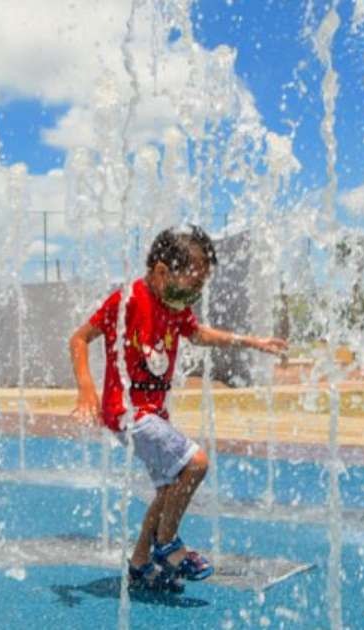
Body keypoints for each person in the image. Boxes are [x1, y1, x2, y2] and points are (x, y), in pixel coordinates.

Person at [67, 224, 288, 591]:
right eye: (192, 282)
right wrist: (87, 389)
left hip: (151, 412)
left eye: (201, 284)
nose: (196, 292)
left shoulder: (175, 305)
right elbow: (79, 338)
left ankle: (139, 563)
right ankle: (167, 544)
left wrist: (250, 341)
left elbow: (198, 333)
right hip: (127, 412)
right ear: (160, 272)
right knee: (196, 462)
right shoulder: (129, 300)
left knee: (168, 489)